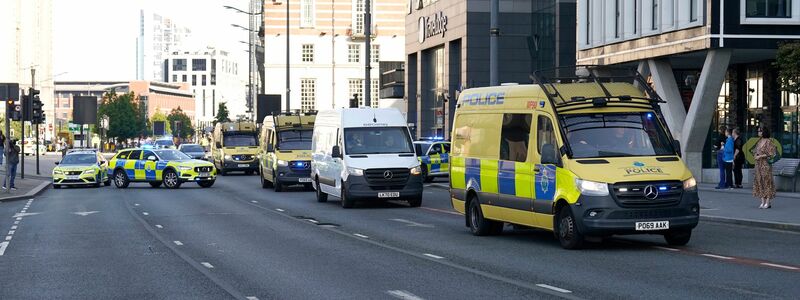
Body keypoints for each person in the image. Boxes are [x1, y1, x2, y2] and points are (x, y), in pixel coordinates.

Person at [753, 126, 777, 209]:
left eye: (760, 131)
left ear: (764, 132)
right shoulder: (759, 141)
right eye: (758, 131)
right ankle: (762, 201)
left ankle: (767, 201)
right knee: (759, 182)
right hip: (758, 165)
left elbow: (772, 153)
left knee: (767, 182)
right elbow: (755, 151)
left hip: (765, 164)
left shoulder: (769, 141)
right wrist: (756, 155)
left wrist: (761, 156)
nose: (758, 132)